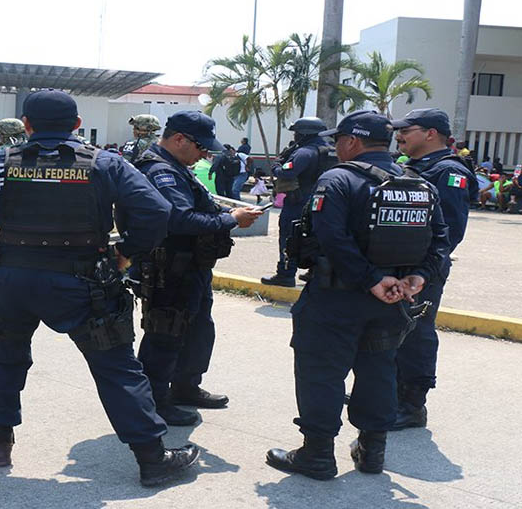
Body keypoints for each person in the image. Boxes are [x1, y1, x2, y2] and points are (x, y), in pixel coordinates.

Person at [0, 89, 199, 487]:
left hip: (11, 279)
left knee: (4, 359)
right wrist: (126, 252)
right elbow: (156, 212)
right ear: (75, 125)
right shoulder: (105, 163)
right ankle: (152, 459)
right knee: (116, 367)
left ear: (28, 125)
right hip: (84, 280)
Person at [266, 110, 448, 480]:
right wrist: (418, 277)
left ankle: (317, 454)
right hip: (393, 301)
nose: (335, 147)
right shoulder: (418, 182)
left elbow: (332, 239)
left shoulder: (338, 179)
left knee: (321, 372)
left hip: (338, 298)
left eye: (338, 141)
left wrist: (370, 279)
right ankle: (371, 451)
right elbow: (441, 241)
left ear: (352, 141)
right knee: (378, 370)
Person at [132, 111, 263, 426]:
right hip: (169, 268)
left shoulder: (177, 166)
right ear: (179, 139)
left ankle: (186, 387)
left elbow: (200, 206)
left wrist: (229, 211)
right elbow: (179, 219)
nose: (206, 154)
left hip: (191, 267)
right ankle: (155, 402)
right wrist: (232, 219)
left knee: (198, 329)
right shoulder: (159, 170)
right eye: (202, 147)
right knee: (165, 333)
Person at [390, 108, 478, 430]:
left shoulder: (448, 172)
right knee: (388, 330)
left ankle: (412, 404)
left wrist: (421, 271)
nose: (399, 135)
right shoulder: (412, 166)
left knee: (415, 333)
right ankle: (387, 392)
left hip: (422, 270)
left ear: (429, 134)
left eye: (406, 130)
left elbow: (450, 232)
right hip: (397, 265)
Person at [261, 117, 331, 287]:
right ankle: (315, 271)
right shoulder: (329, 150)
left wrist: (277, 164)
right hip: (322, 201)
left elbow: (286, 173)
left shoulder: (304, 152)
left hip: (298, 202)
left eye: (297, 132)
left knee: (289, 236)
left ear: (304, 133)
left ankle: (285, 273)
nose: (295, 136)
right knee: (316, 237)